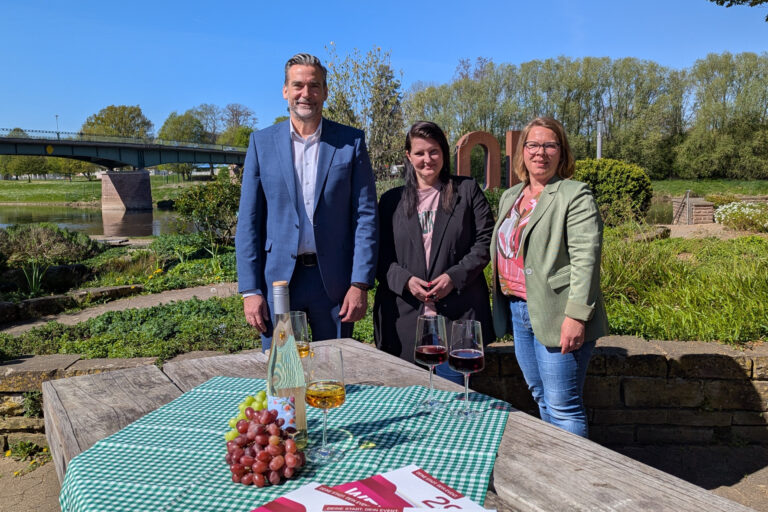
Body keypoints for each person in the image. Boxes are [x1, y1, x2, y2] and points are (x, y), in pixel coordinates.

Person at [235, 53, 378, 350]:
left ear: (325, 92)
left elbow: (366, 216)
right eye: (297, 85)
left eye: (314, 86)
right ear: (285, 91)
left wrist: (360, 282)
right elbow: (249, 221)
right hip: (278, 284)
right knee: (283, 378)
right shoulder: (261, 143)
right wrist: (250, 289)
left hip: (335, 284)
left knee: (335, 377)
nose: (306, 94)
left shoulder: (351, 142)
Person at [491, 117, 608, 437]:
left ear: (562, 153)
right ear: (522, 152)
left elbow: (587, 259)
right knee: (540, 395)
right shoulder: (510, 196)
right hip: (519, 310)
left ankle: (574, 480)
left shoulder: (574, 194)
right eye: (532, 145)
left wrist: (576, 316)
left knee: (563, 405)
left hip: (558, 312)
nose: (540, 152)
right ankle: (556, 464)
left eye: (549, 145)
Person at [374, 121, 495, 383]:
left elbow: (485, 241)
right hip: (405, 319)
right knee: (411, 404)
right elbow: (378, 254)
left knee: (454, 403)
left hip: (457, 318)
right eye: (419, 153)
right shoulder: (391, 201)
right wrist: (404, 281)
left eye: (434, 151)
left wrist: (455, 276)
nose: (427, 159)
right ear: (408, 156)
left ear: (444, 153)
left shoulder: (467, 191)